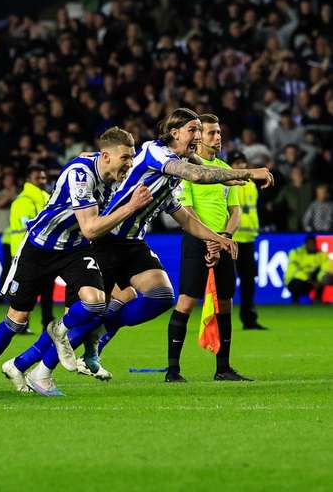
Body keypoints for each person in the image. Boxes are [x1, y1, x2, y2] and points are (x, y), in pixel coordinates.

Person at [84, 109, 271, 378]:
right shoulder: (167, 160)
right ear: (178, 133)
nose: (209, 137)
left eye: (210, 132)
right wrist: (252, 172)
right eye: (198, 131)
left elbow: (220, 194)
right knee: (92, 308)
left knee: (186, 299)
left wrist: (221, 237)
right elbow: (192, 190)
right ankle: (40, 361)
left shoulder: (196, 170)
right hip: (119, 239)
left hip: (151, 240)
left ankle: (222, 367)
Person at [0, 128, 150, 399]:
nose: (130, 163)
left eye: (132, 157)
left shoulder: (113, 173)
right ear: (106, 156)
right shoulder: (81, 176)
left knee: (95, 302)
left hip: (74, 249)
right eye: (126, 157)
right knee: (17, 320)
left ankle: (59, 329)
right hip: (40, 247)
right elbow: (90, 228)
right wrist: (131, 206)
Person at [166, 114, 249, 383]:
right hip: (196, 241)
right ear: (200, 137)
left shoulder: (224, 170)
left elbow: (235, 211)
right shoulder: (188, 171)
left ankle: (222, 368)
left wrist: (224, 235)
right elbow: (186, 211)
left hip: (223, 243)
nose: (218, 138)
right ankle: (173, 370)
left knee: (225, 303)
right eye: (212, 133)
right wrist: (208, 238)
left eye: (219, 133)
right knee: (187, 301)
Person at [0, 164, 52, 329]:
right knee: (25, 290)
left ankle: (47, 322)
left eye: (43, 177)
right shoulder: (22, 201)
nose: (42, 180)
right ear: (29, 180)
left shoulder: (46, 197)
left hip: (45, 250)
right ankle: (18, 322)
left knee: (47, 289)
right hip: (25, 252)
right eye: (38, 178)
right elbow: (26, 227)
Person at [228, 151, 266, 330]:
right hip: (231, 239)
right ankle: (218, 318)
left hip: (248, 239)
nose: (241, 166)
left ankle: (249, 319)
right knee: (225, 282)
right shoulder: (227, 183)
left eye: (243, 163)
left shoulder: (251, 184)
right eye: (237, 163)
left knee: (249, 282)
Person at [284, 236, 333, 304]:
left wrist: (320, 280)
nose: (311, 245)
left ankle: (317, 300)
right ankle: (295, 302)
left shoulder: (322, 255)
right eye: (309, 243)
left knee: (327, 278)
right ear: (305, 244)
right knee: (296, 283)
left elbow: (324, 269)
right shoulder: (296, 253)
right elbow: (294, 270)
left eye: (313, 243)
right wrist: (310, 280)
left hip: (314, 282)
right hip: (296, 281)